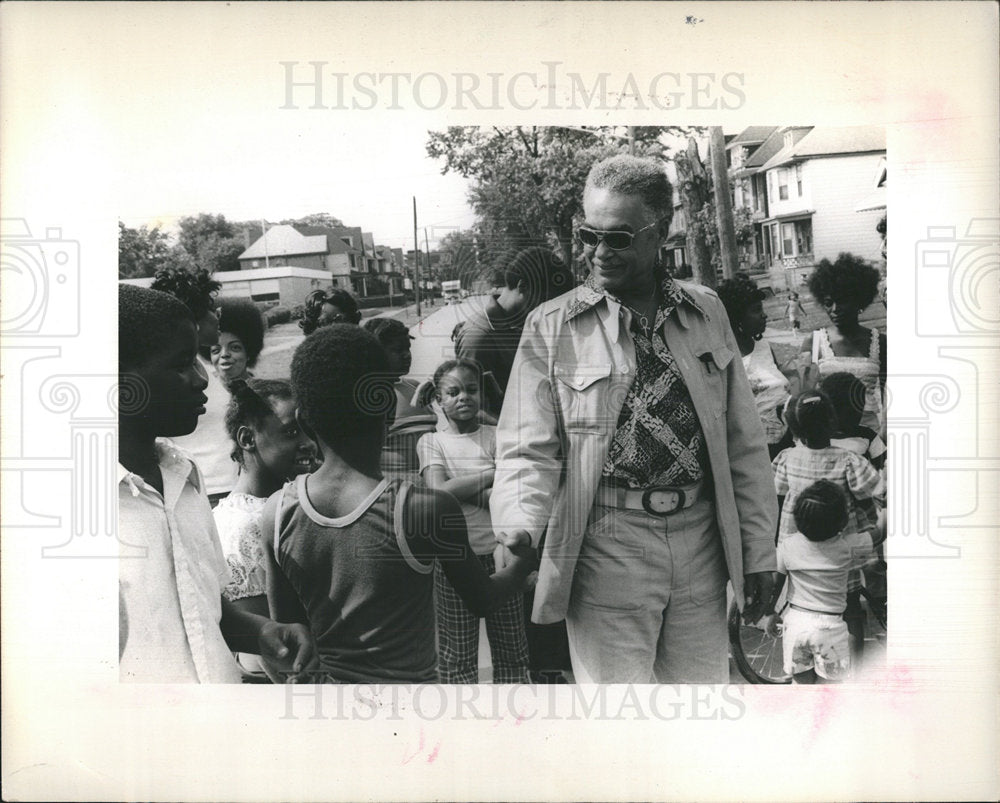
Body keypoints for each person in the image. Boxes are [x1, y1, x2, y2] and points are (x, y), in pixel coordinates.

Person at [490, 154, 778, 684]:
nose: (599, 252)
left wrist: (760, 552)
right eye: (587, 234)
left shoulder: (707, 310)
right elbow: (526, 449)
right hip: (606, 546)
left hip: (702, 546)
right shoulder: (551, 327)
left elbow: (744, 444)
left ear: (660, 232)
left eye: (618, 238)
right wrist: (519, 525)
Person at [261, 324, 536, 684]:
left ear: (303, 420)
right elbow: (484, 600)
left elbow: (285, 635)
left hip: (328, 713)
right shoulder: (422, 509)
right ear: (389, 410)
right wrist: (521, 565)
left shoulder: (277, 512)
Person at [118, 284, 315, 683]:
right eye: (180, 365)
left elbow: (204, 607)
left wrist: (260, 631)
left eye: (198, 359)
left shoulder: (185, 481)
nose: (201, 379)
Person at [416, 359, 530, 683]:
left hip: (501, 553)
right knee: (457, 658)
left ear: (481, 394)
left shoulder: (496, 436)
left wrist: (462, 485)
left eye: (471, 389)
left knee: (512, 652)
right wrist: (494, 474)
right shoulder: (432, 442)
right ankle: (461, 729)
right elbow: (439, 491)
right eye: (452, 392)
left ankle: (517, 725)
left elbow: (512, 491)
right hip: (453, 560)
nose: (463, 397)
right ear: (438, 401)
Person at [213, 378, 317, 680]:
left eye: (309, 430)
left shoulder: (278, 504)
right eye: (291, 432)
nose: (308, 442)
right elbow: (274, 653)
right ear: (248, 439)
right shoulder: (247, 524)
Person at [772, 390, 886, 658]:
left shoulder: (787, 458)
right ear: (833, 423)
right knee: (849, 608)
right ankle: (852, 669)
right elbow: (877, 489)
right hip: (839, 547)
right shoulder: (848, 461)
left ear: (793, 427)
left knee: (801, 600)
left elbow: (776, 490)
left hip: (797, 544)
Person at [765, 479, 881, 683]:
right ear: (842, 522)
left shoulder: (788, 545)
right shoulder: (847, 546)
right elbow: (880, 532)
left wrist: (770, 614)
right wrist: (887, 503)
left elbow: (775, 585)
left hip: (796, 625)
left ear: (798, 519)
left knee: (801, 685)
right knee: (829, 691)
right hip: (830, 629)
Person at [454, 246, 575, 416]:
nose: (551, 312)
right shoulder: (479, 337)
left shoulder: (522, 323)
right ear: (523, 286)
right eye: (547, 302)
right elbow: (475, 414)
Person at [152, 267, 236, 502]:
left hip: (230, 491)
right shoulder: (170, 374)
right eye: (212, 309)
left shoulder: (202, 367)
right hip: (198, 494)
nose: (218, 316)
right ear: (194, 319)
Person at [800, 253, 887, 436]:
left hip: (870, 436)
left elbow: (889, 395)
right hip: (826, 437)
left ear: (859, 300)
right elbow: (802, 394)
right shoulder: (814, 342)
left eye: (843, 301)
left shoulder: (879, 342)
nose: (835, 309)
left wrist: (884, 435)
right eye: (829, 303)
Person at [717, 274, 793, 458]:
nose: (764, 315)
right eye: (756, 310)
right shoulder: (725, 358)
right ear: (737, 318)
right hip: (754, 452)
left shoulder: (764, 347)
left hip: (789, 442)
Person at [211, 298, 266, 387]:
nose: (224, 354)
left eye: (235, 347)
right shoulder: (203, 394)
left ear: (248, 353)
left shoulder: (267, 396)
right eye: (216, 350)